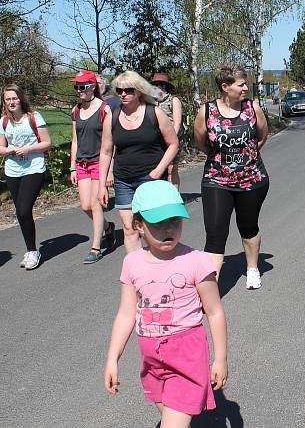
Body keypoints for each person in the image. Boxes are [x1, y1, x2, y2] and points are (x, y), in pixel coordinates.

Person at [104, 180, 227, 427]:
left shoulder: (197, 261)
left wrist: (220, 358)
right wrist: (112, 358)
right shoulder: (132, 263)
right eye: (158, 223)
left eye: (174, 221)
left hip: (187, 357)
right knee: (170, 414)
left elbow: (214, 311)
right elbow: (126, 315)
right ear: (139, 225)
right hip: (151, 359)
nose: (168, 229)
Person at [193, 64, 269, 288]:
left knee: (248, 227)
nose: (246, 87)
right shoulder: (206, 111)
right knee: (215, 234)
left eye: (246, 83)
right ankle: (209, 289)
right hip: (217, 180)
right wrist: (219, 158)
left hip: (251, 180)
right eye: (241, 84)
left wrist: (248, 158)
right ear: (225, 87)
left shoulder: (252, 107)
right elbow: (200, 141)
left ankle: (253, 268)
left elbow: (262, 136)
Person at [98, 71, 179, 253]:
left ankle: (157, 267)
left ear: (139, 91)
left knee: (153, 227)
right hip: (123, 180)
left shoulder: (154, 112)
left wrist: (159, 171)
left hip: (151, 177)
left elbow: (173, 144)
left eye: (128, 90)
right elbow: (105, 151)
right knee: (130, 229)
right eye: (119, 90)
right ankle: (136, 274)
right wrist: (102, 185)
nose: (123, 94)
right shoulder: (112, 116)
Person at [0, 84, 52, 270]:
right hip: (12, 170)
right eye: (8, 99)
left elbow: (46, 143)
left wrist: (28, 149)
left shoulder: (34, 117)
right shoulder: (4, 121)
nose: (11, 102)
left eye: (14, 98)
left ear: (21, 98)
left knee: (23, 210)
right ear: (4, 102)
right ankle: (30, 250)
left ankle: (33, 252)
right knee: (21, 212)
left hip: (34, 168)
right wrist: (9, 150)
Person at [70, 69, 115, 264]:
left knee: (97, 204)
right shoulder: (76, 110)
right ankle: (108, 227)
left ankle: (96, 247)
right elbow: (75, 141)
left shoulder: (105, 109)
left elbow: (110, 143)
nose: (79, 90)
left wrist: (110, 169)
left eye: (83, 87)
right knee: (85, 206)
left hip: (99, 162)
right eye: (77, 87)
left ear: (92, 87)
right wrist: (72, 166)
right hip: (82, 163)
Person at [150, 72, 184, 187]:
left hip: (172, 139)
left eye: (158, 85)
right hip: (156, 139)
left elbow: (177, 122)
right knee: (157, 168)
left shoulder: (173, 100)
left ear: (164, 86)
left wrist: (171, 141)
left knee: (171, 169)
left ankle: (174, 196)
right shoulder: (151, 101)